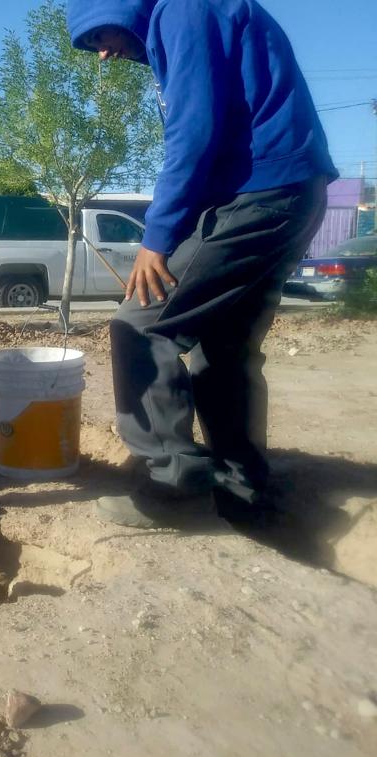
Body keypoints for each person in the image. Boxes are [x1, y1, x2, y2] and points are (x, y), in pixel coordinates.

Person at [66, 0, 337, 527]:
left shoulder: (184, 10)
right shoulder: (191, 13)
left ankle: (171, 483)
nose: (102, 54)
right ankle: (242, 492)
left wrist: (159, 238)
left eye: (100, 33)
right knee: (224, 346)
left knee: (140, 324)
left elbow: (194, 133)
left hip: (261, 194)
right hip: (284, 191)